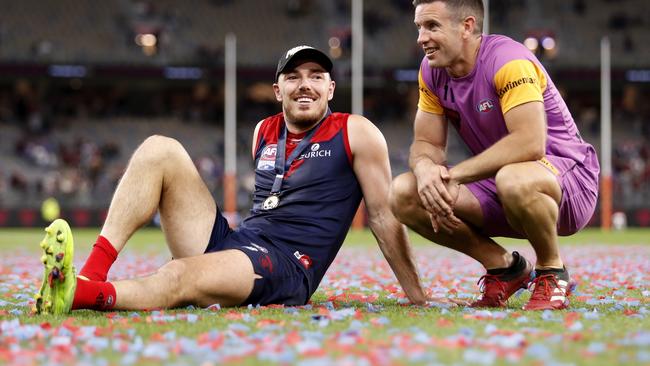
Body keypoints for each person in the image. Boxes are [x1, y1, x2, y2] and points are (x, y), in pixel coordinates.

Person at [34, 45, 438, 314]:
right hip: (239, 241)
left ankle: (79, 294)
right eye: (294, 77)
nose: (305, 85)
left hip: (286, 266)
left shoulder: (356, 131)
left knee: (179, 274)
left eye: (316, 76)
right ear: (277, 88)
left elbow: (384, 217)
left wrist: (416, 296)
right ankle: (92, 271)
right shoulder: (263, 131)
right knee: (160, 147)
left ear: (330, 88)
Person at [390, 0, 599, 310]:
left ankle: (551, 270)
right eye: (419, 27)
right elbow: (426, 144)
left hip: (568, 181)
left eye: (432, 26)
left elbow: (529, 143)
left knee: (514, 178)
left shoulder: (507, 60)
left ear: (467, 26)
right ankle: (505, 267)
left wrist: (451, 174)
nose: (422, 38)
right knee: (404, 193)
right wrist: (425, 171)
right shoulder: (432, 72)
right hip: (502, 183)